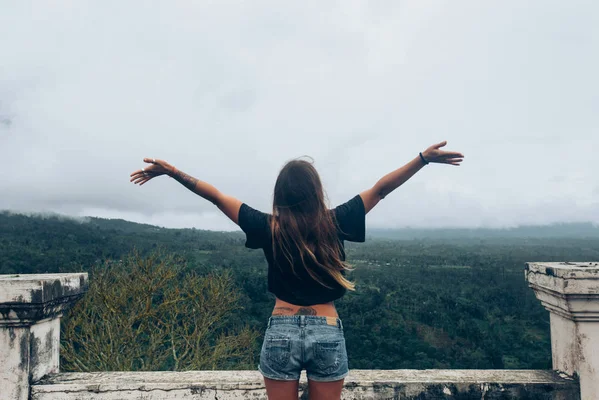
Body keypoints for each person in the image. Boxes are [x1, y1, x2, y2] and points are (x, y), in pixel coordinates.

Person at [130, 140, 464, 400]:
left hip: (282, 330)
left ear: (280, 195)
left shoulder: (268, 227)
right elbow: (381, 189)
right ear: (316, 192)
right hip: (327, 331)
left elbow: (216, 197)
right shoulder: (335, 221)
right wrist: (421, 159)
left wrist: (172, 172)